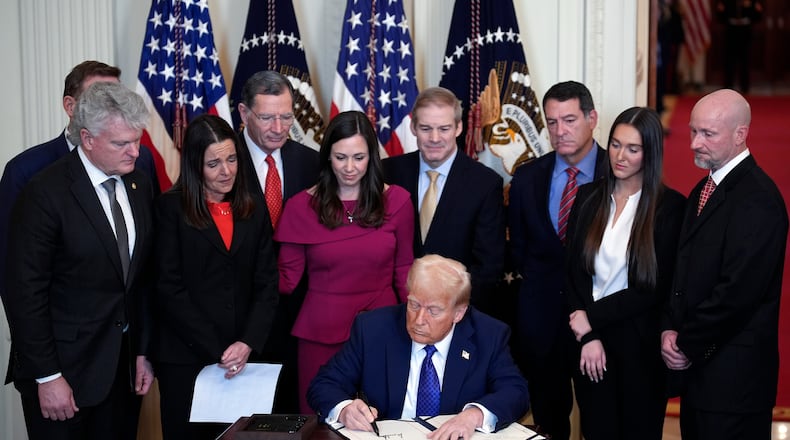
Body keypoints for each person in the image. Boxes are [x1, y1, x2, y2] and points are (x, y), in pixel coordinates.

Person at [3, 81, 155, 439]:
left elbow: (141, 278)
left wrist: (142, 352)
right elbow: (24, 292)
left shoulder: (139, 184)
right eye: (122, 143)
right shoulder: (44, 192)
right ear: (87, 139)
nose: (135, 152)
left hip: (122, 373)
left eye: (137, 140)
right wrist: (48, 376)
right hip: (64, 375)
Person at [661, 89, 788, 440]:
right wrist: (668, 329)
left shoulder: (760, 201)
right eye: (693, 131)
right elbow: (682, 271)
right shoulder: (705, 188)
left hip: (734, 384)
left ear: (740, 134)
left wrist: (685, 343)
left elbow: (737, 294)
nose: (694, 144)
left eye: (708, 134)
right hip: (700, 380)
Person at [274, 110, 414, 413]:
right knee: (321, 421)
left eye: (359, 157)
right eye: (340, 157)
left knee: (383, 421)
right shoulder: (300, 206)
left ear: (372, 157)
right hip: (319, 334)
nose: (350, 168)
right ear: (327, 157)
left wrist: (416, 325)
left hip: (384, 329)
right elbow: (285, 280)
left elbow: (404, 269)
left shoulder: (398, 201)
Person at [152, 114, 279, 438]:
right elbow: (168, 287)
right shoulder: (170, 209)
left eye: (232, 159)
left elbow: (267, 281)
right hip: (187, 359)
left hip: (245, 358)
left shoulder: (253, 206)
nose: (227, 171)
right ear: (195, 166)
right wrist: (219, 347)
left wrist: (247, 342)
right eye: (214, 164)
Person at [307, 255, 529, 440]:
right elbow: (324, 384)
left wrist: (474, 415)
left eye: (433, 310)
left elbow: (515, 392)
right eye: (413, 304)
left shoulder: (488, 335)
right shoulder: (373, 329)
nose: (418, 319)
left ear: (458, 313)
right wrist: (344, 409)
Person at [564, 107, 686, 440]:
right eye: (616, 145)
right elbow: (573, 271)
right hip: (591, 347)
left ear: (650, 153)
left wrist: (591, 317)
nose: (620, 156)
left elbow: (654, 287)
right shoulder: (589, 197)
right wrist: (587, 335)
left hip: (640, 349)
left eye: (633, 149)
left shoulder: (670, 207)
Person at [0, 60, 160, 301]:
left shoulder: (139, 166)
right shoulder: (29, 173)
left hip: (133, 332)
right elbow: (19, 277)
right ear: (72, 107)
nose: (134, 152)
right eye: (97, 99)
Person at [507, 80, 606, 440]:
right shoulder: (527, 178)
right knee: (548, 423)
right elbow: (519, 251)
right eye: (551, 122)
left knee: (601, 419)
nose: (559, 131)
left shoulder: (620, 172)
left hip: (600, 324)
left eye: (569, 120)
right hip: (541, 325)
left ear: (591, 118)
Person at [236, 70, 321, 412]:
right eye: (267, 117)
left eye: (286, 116)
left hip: (296, 313)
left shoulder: (310, 162)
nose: (278, 127)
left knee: (292, 412)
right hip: (240, 313)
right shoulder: (222, 161)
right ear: (244, 114)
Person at [382, 87, 504, 314]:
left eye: (444, 129)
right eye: (426, 128)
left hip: (455, 315)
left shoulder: (485, 184)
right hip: (394, 310)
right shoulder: (387, 173)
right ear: (413, 127)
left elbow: (488, 266)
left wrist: (448, 312)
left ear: (458, 127)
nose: (434, 138)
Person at [716, 0, 763, 94]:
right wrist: (721, 11)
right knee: (729, 60)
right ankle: (728, 86)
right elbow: (720, 16)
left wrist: (750, 8)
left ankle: (745, 87)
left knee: (745, 61)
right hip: (731, 31)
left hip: (745, 32)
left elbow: (757, 16)